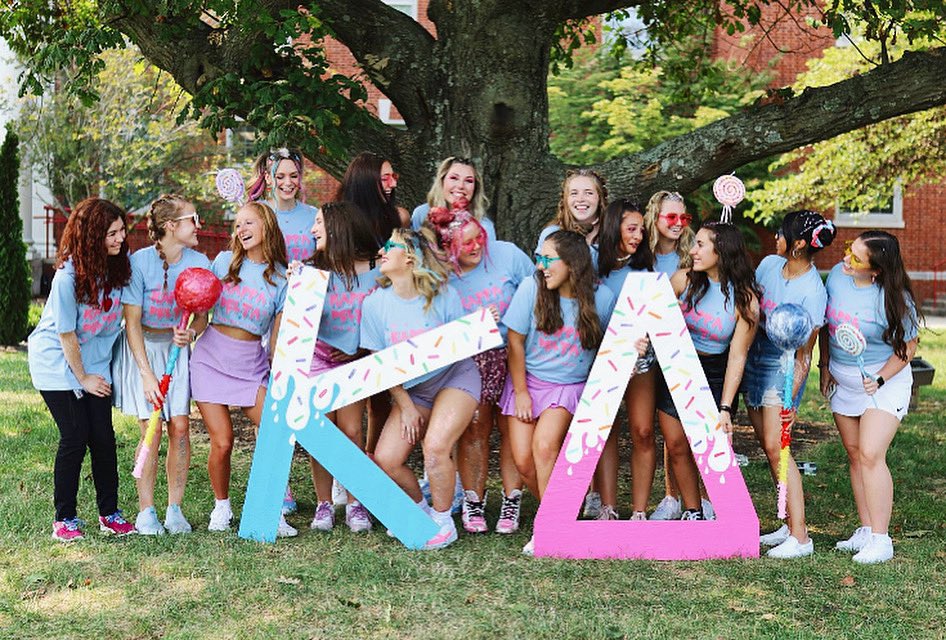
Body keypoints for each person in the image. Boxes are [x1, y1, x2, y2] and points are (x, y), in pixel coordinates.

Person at [364, 227, 481, 550]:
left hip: (455, 378)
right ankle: (420, 512)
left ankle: (444, 522)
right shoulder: (374, 305)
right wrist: (405, 406)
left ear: (410, 257)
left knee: (435, 446)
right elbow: (380, 363)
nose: (381, 251)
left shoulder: (443, 295)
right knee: (387, 459)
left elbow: (463, 344)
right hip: (413, 392)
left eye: (390, 245)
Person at [501, 230, 616, 554]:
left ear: (572, 263)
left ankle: (550, 528)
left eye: (547, 259)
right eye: (539, 258)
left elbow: (615, 341)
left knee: (544, 446)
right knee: (524, 462)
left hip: (568, 386)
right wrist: (521, 392)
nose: (540, 266)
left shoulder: (601, 298)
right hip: (528, 382)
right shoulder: (531, 288)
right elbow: (515, 342)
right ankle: (565, 514)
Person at [28, 197, 136, 541]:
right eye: (112, 233)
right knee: (75, 436)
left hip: (95, 364)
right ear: (92, 236)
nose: (120, 238)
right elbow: (66, 334)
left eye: (122, 231)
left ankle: (110, 514)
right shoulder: (67, 277)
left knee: (103, 438)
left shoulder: (119, 268)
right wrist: (83, 378)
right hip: (57, 362)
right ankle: (65, 519)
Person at [425, 203, 534, 534]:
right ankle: (474, 500)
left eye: (479, 238)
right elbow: (435, 324)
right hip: (471, 360)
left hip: (515, 352)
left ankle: (511, 499)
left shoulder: (508, 255)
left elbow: (538, 292)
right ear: (449, 249)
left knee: (513, 426)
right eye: (467, 243)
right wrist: (472, 323)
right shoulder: (441, 276)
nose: (477, 247)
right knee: (475, 428)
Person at [189, 202, 295, 536]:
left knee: (276, 433)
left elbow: (276, 337)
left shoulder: (282, 277)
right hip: (210, 358)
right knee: (223, 441)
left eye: (249, 222)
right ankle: (222, 506)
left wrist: (277, 370)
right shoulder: (224, 262)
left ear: (267, 226)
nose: (241, 229)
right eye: (238, 225)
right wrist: (189, 333)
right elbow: (202, 316)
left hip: (251, 363)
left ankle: (271, 509)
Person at [820, 231, 919, 564]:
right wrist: (824, 366)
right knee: (855, 454)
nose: (845, 259)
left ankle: (881, 539)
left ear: (876, 270)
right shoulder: (837, 277)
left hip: (883, 381)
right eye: (849, 250)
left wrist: (879, 378)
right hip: (844, 381)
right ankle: (865, 529)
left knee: (871, 453)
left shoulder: (896, 299)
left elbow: (907, 348)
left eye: (856, 258)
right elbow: (827, 327)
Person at [116, 194, 211, 535]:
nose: (198, 225)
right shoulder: (139, 263)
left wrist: (191, 333)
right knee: (151, 431)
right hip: (143, 351)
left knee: (180, 428)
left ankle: (175, 509)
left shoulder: (200, 261)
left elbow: (202, 317)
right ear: (171, 226)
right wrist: (146, 375)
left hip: (176, 350)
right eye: (192, 219)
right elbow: (132, 323)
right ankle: (146, 511)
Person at [744, 211, 836, 558]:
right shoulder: (769, 265)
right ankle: (785, 522)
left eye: (780, 233)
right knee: (767, 445)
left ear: (798, 244)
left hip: (783, 366)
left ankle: (800, 536)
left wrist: (790, 399)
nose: (775, 238)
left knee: (777, 446)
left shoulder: (812, 291)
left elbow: (804, 354)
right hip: (754, 355)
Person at [656, 222, 760, 521]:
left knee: (710, 448)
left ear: (722, 250)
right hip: (678, 368)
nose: (692, 251)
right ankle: (693, 511)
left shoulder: (745, 299)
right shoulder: (682, 280)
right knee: (676, 444)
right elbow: (655, 321)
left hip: (716, 374)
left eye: (700, 244)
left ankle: (719, 507)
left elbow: (737, 356)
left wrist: (725, 408)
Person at [302, 201, 381, 533]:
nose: (312, 230)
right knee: (321, 431)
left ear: (337, 227)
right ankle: (324, 504)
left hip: (353, 361)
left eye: (319, 223)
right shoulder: (311, 272)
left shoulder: (377, 272)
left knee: (351, 432)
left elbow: (384, 317)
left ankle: (354, 502)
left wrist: (360, 350)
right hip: (318, 358)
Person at [593, 200, 657, 521]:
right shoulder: (592, 264)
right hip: (598, 358)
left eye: (641, 230)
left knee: (642, 430)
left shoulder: (645, 270)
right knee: (605, 429)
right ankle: (607, 506)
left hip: (640, 358)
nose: (638, 236)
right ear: (613, 228)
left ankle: (639, 512)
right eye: (632, 229)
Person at [643, 189, 696, 521]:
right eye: (671, 217)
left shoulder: (693, 254)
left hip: (682, 349)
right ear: (655, 218)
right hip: (644, 349)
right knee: (655, 428)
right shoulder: (641, 255)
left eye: (683, 217)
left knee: (685, 427)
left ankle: (692, 497)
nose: (678, 223)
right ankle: (670, 496)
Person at [248, 147, 319, 262]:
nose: (288, 182)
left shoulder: (315, 216)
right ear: (268, 178)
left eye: (294, 176)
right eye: (280, 177)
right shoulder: (254, 213)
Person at [411, 156, 496, 241]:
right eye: (454, 178)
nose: (460, 186)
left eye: (468, 181)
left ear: (475, 188)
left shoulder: (484, 226)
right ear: (442, 181)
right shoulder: (422, 214)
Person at [335, 151, 410, 246]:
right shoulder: (337, 221)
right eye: (384, 179)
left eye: (394, 177)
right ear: (364, 183)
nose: (393, 184)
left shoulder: (400, 218)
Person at [534, 169, 608, 262]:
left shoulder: (614, 232)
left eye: (588, 193)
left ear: (600, 198)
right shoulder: (551, 234)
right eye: (574, 193)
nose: (580, 199)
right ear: (566, 199)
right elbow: (542, 268)